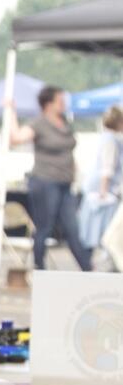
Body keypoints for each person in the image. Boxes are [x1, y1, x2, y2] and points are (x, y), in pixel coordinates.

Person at [6, 85, 92, 271]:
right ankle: (40, 266)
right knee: (45, 226)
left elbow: (69, 152)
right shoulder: (39, 123)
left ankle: (87, 268)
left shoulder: (65, 123)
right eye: (60, 101)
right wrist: (11, 112)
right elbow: (16, 138)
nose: (63, 104)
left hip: (65, 182)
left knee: (72, 227)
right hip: (45, 181)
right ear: (48, 104)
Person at [78, 105, 123, 268]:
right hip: (103, 193)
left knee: (96, 233)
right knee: (102, 234)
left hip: (102, 191)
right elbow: (107, 168)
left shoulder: (108, 138)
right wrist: (104, 192)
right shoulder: (111, 141)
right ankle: (89, 267)